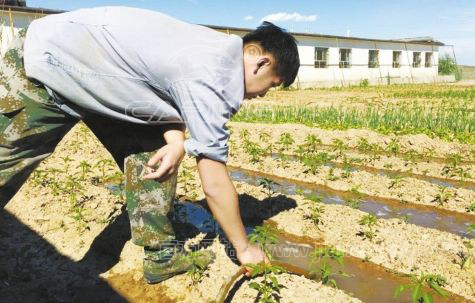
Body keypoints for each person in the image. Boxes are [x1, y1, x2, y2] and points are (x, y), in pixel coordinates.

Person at [0, 6, 300, 284]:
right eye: (273, 84)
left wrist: (175, 139)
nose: (264, 94)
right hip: (46, 65)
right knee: (5, 163)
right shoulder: (216, 74)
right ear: (260, 61)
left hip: (103, 82)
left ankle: (161, 256)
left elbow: (162, 89)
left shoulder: (211, 51)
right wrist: (244, 248)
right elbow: (214, 183)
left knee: (156, 156)